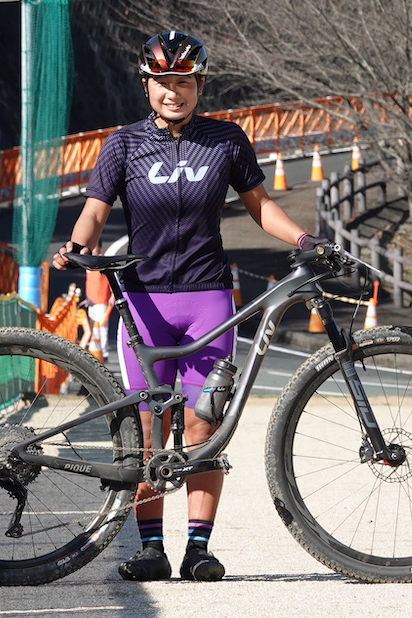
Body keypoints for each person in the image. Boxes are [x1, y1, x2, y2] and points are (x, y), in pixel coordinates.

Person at [52, 30, 320, 583]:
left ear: (200, 86)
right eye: (162, 82)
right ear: (146, 85)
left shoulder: (226, 140)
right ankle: (151, 549)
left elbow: (260, 206)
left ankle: (199, 548)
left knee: (204, 423)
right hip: (143, 301)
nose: (173, 92)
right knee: (148, 427)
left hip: (208, 299)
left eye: (184, 82)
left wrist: (302, 239)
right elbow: (96, 210)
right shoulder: (123, 144)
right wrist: (78, 245)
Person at [83, 239, 113, 359]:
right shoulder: (88, 263)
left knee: (102, 328)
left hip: (102, 300)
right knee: (93, 329)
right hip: (92, 301)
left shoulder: (103, 262)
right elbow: (89, 282)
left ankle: (104, 353)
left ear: (100, 248)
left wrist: (112, 296)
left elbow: (112, 279)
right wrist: (87, 298)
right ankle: (95, 351)